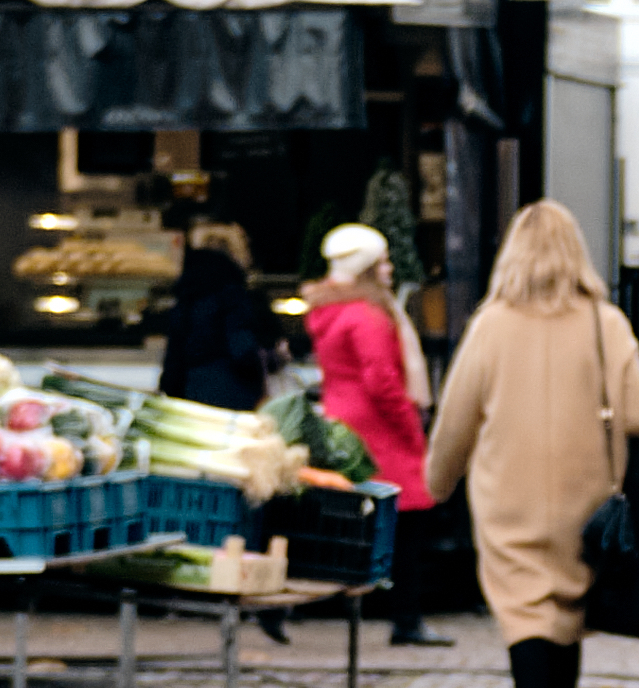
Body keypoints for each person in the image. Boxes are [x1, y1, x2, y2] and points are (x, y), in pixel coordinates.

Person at [428, 197, 639, 688]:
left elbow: (456, 419)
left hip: (507, 493)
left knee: (524, 613)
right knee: (568, 613)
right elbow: (638, 411)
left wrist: (437, 481)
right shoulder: (604, 323)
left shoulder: (492, 323)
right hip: (588, 499)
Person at [299, 221, 445, 650]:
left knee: (347, 522)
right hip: (380, 432)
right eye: (381, 262)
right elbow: (382, 382)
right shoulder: (367, 317)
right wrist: (410, 425)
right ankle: (407, 619)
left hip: (346, 422)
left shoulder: (330, 312)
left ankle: (292, 607)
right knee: (409, 524)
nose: (389, 268)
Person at [156, 221, 276, 410]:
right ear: (236, 252)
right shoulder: (234, 294)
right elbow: (242, 350)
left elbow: (173, 359)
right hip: (234, 395)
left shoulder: (187, 294)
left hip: (191, 394)